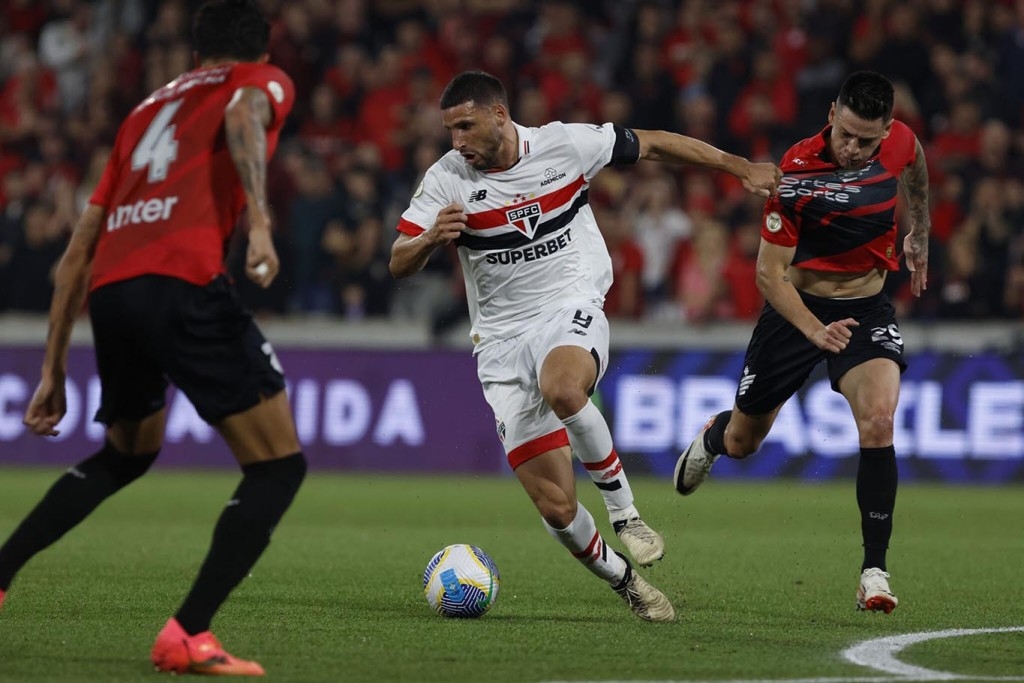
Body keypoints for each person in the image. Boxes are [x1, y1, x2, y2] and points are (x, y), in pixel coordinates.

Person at [390, 70, 780, 621]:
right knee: (556, 506)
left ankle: (628, 515)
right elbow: (397, 260)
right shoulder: (447, 179)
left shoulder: (563, 144)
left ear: (499, 115)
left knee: (564, 387)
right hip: (500, 345)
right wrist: (430, 239)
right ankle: (626, 582)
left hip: (567, 304)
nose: (456, 141)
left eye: (465, 126)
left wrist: (739, 167)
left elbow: (656, 144)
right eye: (450, 129)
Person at [0, 0, 305, 675]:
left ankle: (0, 572)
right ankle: (188, 633)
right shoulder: (261, 81)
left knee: (127, 451)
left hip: (113, 292)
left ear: (196, 53)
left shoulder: (142, 115)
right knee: (279, 465)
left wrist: (53, 368)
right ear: (259, 51)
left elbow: (80, 246)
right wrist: (259, 221)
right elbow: (242, 116)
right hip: (182, 279)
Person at [673, 71, 931, 615]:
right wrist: (816, 331)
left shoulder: (899, 142)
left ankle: (874, 571)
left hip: (865, 308)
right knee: (747, 442)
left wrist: (920, 230)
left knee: (880, 420)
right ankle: (715, 437)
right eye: (847, 134)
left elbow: (917, 166)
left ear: (887, 130)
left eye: (868, 139)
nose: (855, 148)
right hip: (797, 312)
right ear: (832, 114)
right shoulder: (795, 173)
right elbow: (770, 276)